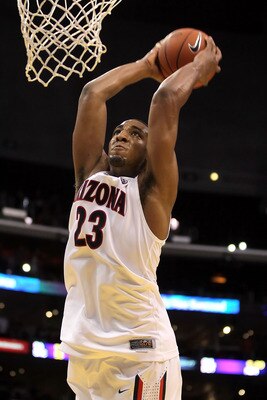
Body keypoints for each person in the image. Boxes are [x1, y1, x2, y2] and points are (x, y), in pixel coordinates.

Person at [59, 35, 222, 400]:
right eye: (118, 131)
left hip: (140, 355)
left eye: (135, 134)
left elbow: (165, 101)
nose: (120, 136)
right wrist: (147, 65)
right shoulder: (90, 175)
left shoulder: (151, 195)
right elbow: (92, 95)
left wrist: (197, 67)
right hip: (86, 352)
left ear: (151, 153)